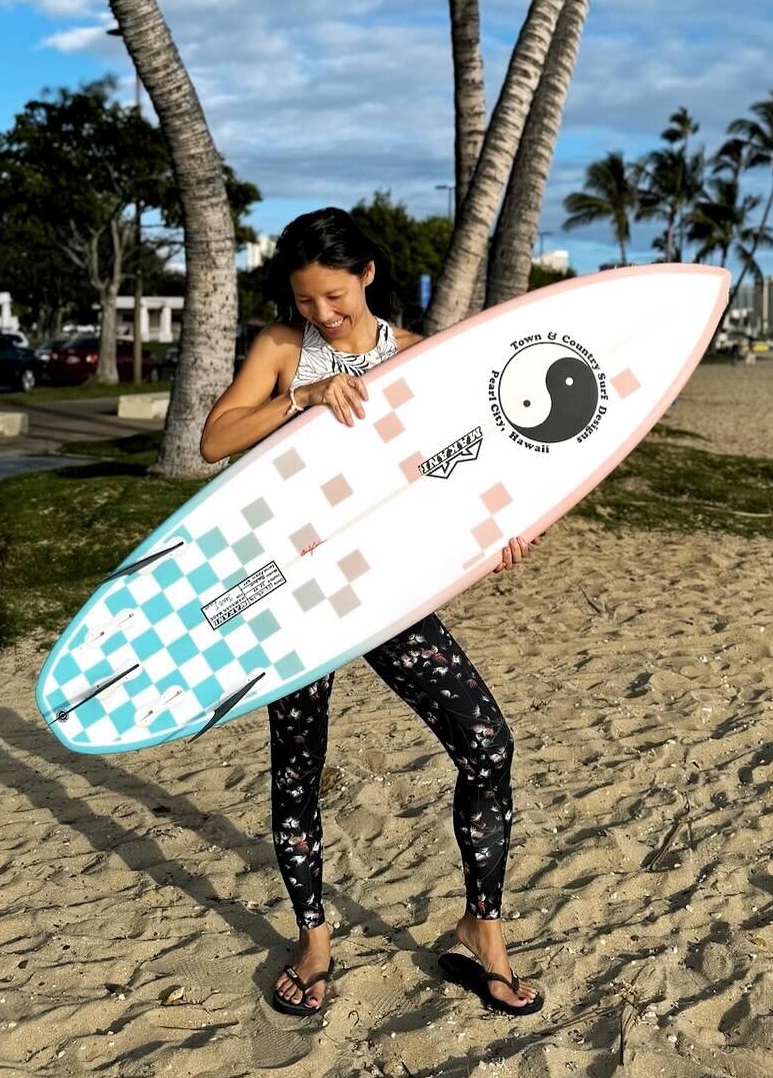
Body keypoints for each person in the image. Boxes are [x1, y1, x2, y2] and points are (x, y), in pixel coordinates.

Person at [199, 208, 542, 1020]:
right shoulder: (281, 350)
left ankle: (480, 929)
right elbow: (216, 439)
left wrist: (503, 529)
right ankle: (313, 941)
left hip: (388, 589)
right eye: (307, 299)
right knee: (298, 765)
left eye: (334, 295)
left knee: (487, 743)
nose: (322, 313)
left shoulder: (421, 356)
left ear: (369, 276)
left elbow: (462, 464)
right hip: (297, 588)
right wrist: (304, 397)